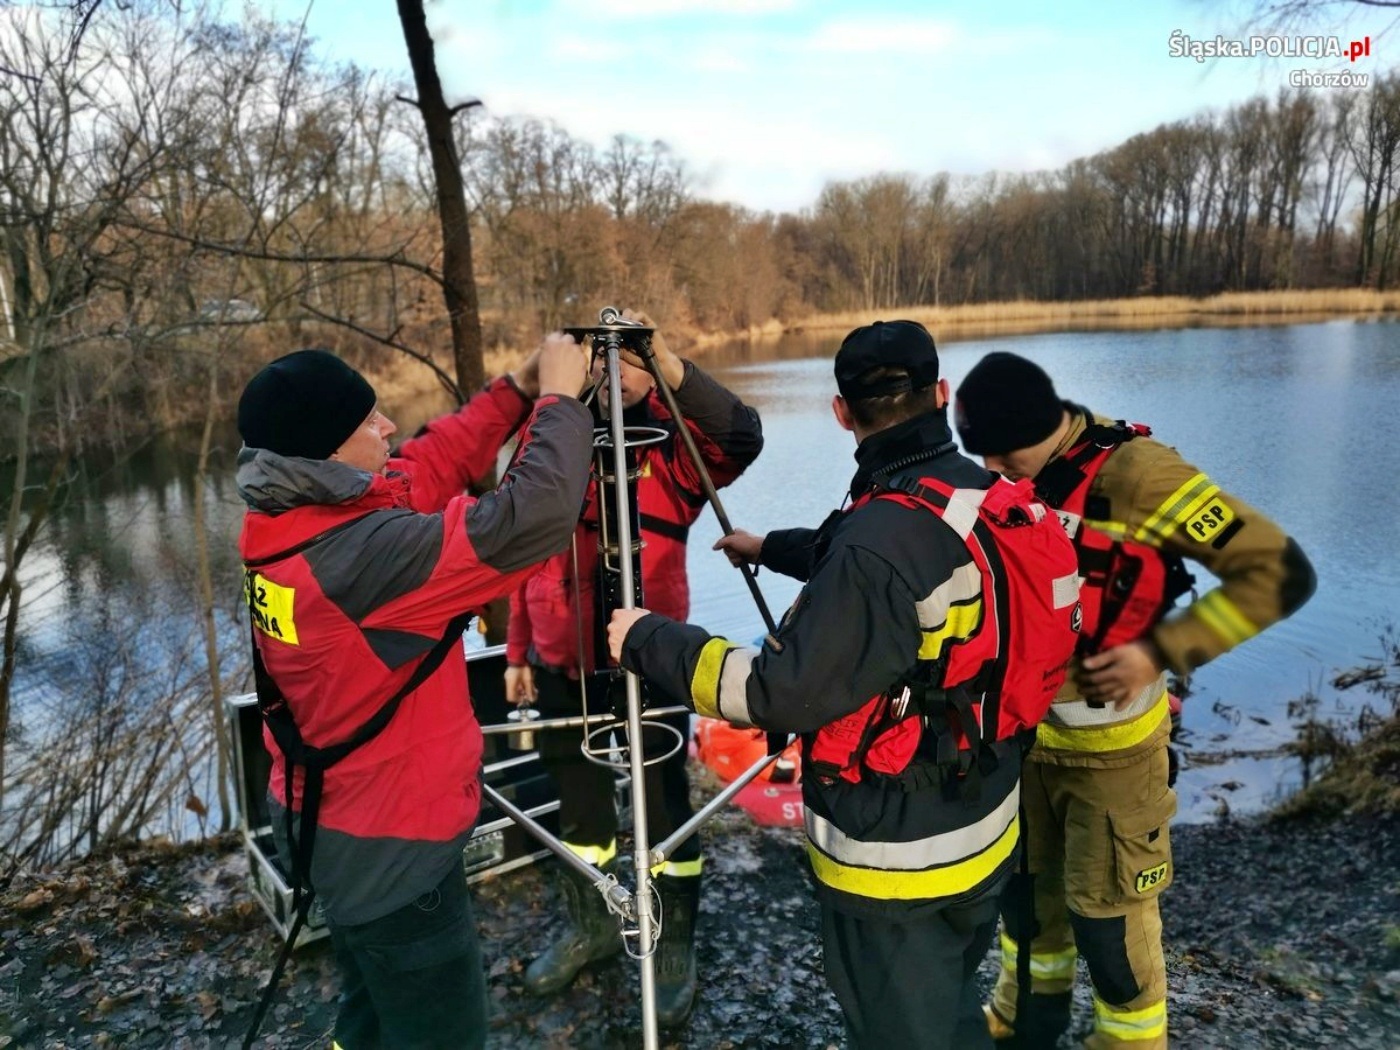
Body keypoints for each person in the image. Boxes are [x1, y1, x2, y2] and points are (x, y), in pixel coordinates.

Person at [606, 320, 1083, 1048]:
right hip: (987, 823)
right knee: (952, 1007)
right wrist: (769, 548)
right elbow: (879, 568)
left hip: (899, 863)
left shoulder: (877, 542)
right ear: (942, 395)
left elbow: (775, 693)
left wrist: (647, 639)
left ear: (839, 411)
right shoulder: (975, 495)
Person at [236, 337, 593, 1050]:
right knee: (440, 1031)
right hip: (393, 852)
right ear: (327, 455)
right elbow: (537, 516)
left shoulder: (284, 518)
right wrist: (557, 400)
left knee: (372, 1008)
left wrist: (515, 391)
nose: (389, 428)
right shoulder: (362, 561)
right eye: (369, 422)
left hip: (325, 822)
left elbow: (426, 461)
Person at [954, 351, 1317, 1050]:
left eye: (1008, 458)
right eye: (985, 460)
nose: (996, 476)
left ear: (1049, 426)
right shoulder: (1004, 473)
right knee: (1027, 910)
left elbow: (1278, 570)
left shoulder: (1141, 476)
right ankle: (1028, 1021)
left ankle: (1128, 1041)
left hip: (1113, 758)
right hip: (1024, 749)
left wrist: (1161, 652)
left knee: (1109, 926)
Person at [503, 310, 763, 1026]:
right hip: (565, 662)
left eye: (621, 360)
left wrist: (665, 365)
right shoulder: (547, 435)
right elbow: (518, 545)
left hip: (651, 658)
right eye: (594, 358)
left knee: (665, 811)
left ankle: (671, 938)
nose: (607, 371)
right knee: (580, 810)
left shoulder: (671, 447)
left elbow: (742, 436)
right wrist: (519, 649)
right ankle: (591, 926)